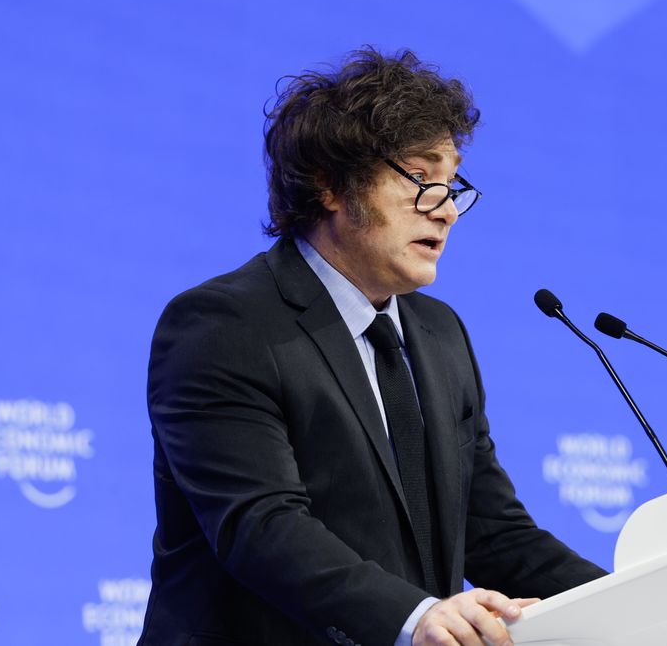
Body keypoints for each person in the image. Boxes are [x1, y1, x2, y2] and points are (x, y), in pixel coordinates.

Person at [140, 47, 607, 646]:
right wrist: (414, 616)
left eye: (452, 183)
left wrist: (642, 611)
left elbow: (492, 532)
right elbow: (261, 525)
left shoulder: (439, 333)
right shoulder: (225, 324)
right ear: (331, 185)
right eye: (421, 179)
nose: (446, 212)